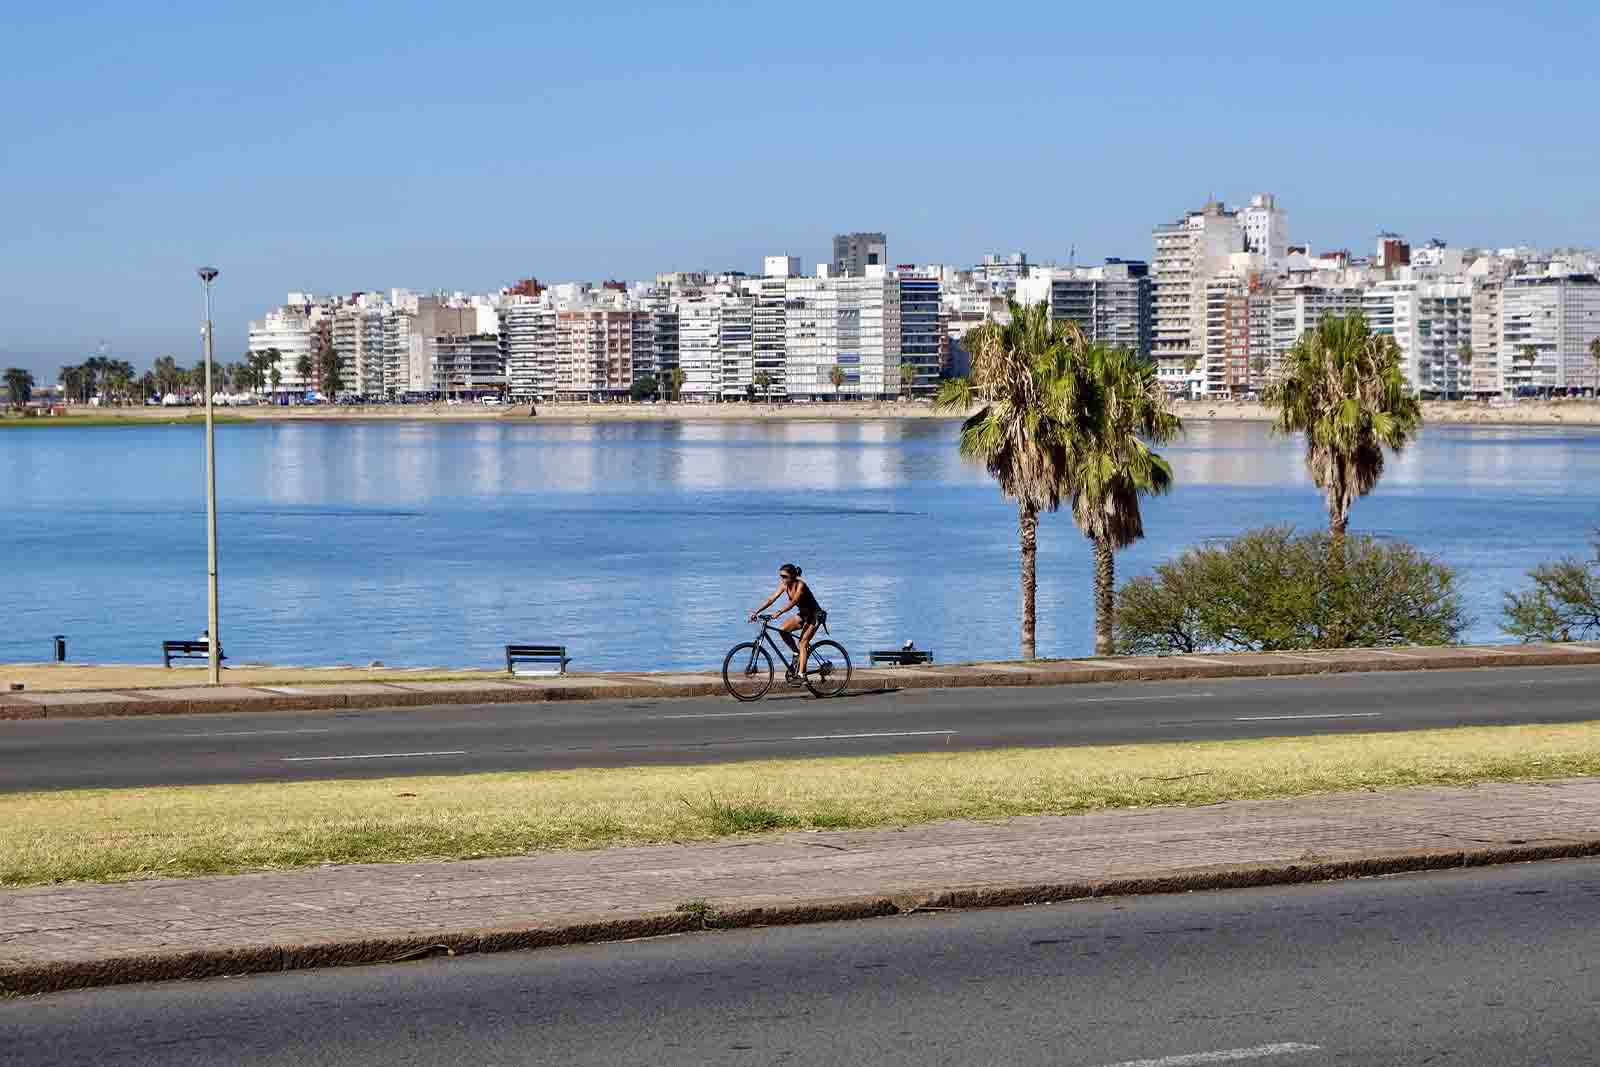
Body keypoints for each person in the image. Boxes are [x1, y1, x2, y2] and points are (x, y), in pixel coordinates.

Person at [749, 563, 826, 686]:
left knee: (802, 643)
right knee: (783, 631)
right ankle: (796, 654)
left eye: (785, 577)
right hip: (804, 614)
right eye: (781, 577)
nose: (782, 579)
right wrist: (757, 612)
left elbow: (793, 602)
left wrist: (779, 612)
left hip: (815, 615)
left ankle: (802, 675)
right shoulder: (785, 585)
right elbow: (771, 598)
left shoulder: (801, 585)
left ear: (793, 576)